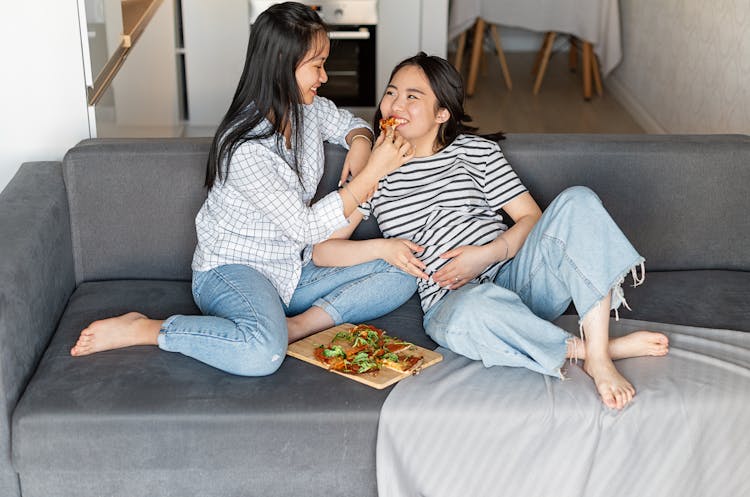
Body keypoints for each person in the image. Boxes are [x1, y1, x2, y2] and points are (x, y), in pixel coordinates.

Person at [69, 2, 420, 376]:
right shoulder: (246, 149)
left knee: (403, 270)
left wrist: (363, 144)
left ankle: (297, 326)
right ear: (283, 63)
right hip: (234, 271)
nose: (324, 76)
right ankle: (146, 328)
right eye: (316, 65)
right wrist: (373, 174)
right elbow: (305, 227)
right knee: (261, 354)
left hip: (292, 270)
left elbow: (350, 123)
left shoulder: (307, 110)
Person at [313, 53, 669, 410]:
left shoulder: (475, 152)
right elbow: (324, 251)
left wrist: (488, 253)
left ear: (442, 113)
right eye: (391, 93)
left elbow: (531, 218)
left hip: (517, 279)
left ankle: (600, 357)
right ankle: (592, 350)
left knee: (579, 199)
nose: (396, 104)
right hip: (452, 302)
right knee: (474, 308)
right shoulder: (377, 172)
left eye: (412, 96)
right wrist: (383, 248)